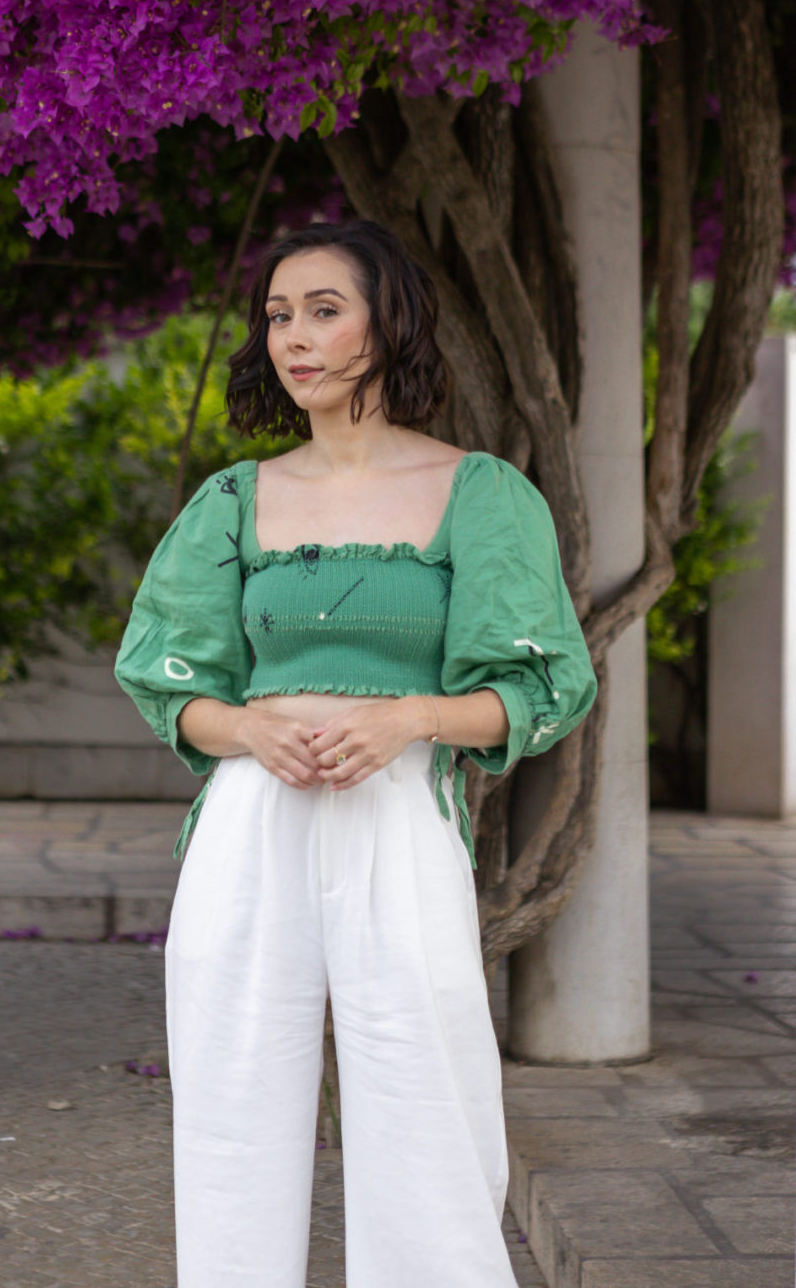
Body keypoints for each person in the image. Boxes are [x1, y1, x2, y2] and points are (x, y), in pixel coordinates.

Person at [114, 219, 597, 1288]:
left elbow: (544, 684)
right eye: (279, 316)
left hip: (397, 815)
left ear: (391, 323)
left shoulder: (481, 494)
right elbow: (166, 678)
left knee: (425, 1084)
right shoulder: (234, 501)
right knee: (233, 1098)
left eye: (324, 310)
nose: (295, 337)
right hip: (251, 820)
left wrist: (409, 720)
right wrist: (245, 728)